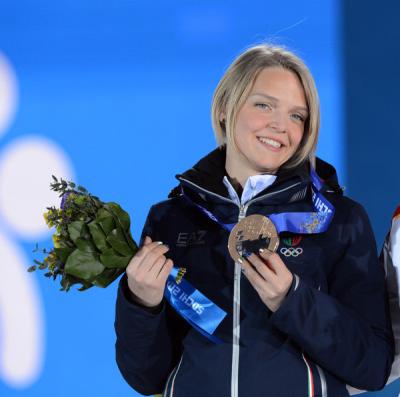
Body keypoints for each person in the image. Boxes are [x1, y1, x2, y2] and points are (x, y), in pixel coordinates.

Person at [114, 44, 394, 397]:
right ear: (224, 108)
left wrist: (292, 301)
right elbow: (146, 377)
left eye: (297, 116)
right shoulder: (171, 219)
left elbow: (373, 366)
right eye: (264, 105)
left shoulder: (339, 221)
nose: (280, 126)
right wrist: (141, 303)